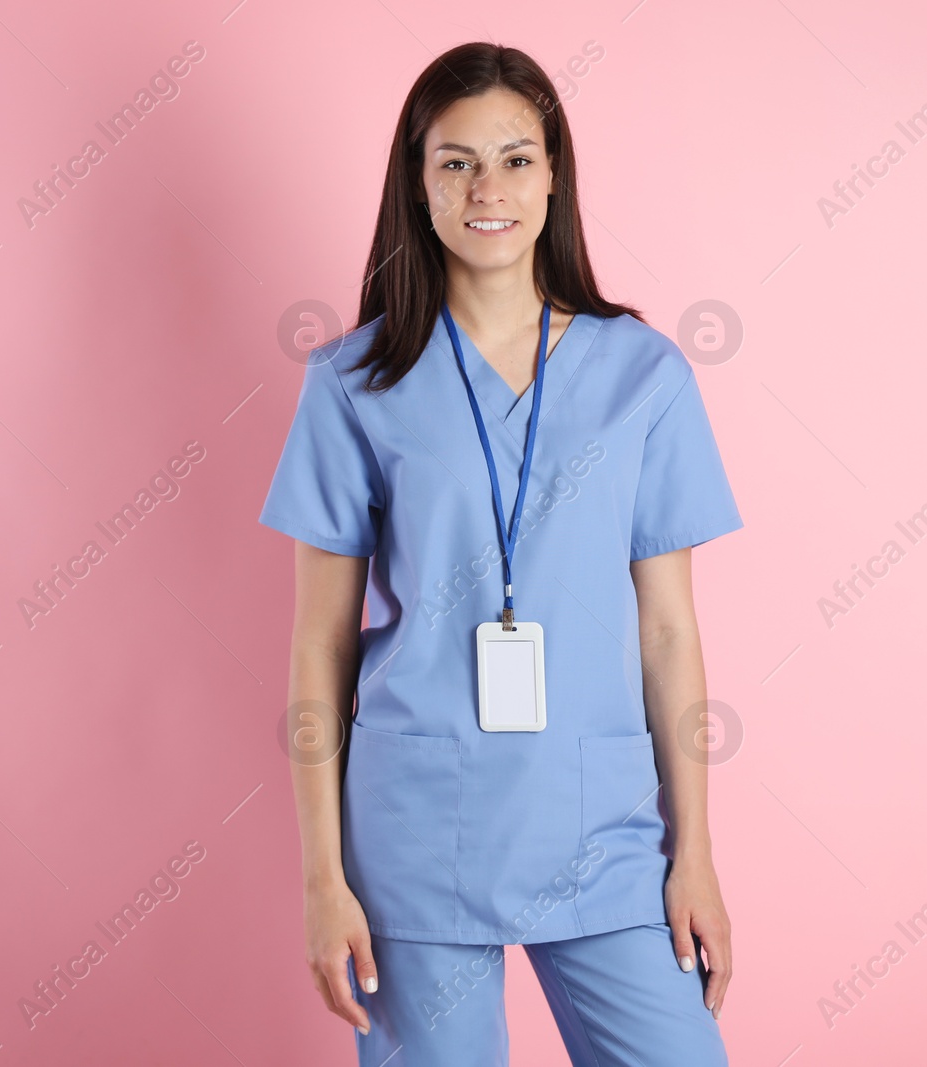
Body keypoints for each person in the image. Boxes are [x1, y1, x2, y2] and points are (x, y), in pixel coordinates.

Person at [259, 41, 742, 1067]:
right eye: (456, 161)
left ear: (555, 173)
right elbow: (316, 642)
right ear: (417, 180)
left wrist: (692, 851)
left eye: (516, 158)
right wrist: (321, 876)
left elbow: (667, 628)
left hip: (600, 828)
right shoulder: (352, 383)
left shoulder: (640, 375)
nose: (489, 189)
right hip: (415, 838)